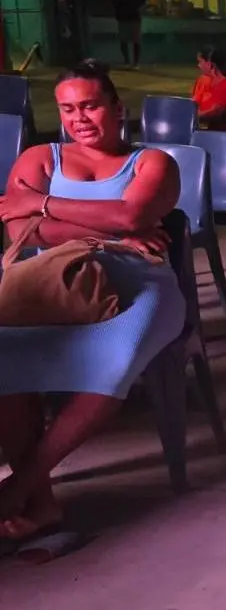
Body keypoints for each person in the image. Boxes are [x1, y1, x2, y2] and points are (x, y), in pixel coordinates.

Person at [0, 61, 184, 557]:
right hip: (54, 283)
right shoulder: (41, 158)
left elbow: (133, 213)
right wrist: (111, 229)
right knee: (5, 359)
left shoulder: (152, 164)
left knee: (114, 358)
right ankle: (42, 501)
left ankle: (17, 490)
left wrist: (42, 205)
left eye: (91, 105)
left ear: (117, 108)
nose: (79, 117)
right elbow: (19, 230)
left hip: (139, 284)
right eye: (68, 108)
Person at [191, 45, 226, 131]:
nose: (198, 65)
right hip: (199, 127)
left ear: (210, 64)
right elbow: (194, 104)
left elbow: (217, 113)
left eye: (200, 61)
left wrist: (195, 116)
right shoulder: (201, 81)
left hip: (219, 132)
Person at [104, 0, 147, 67]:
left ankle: (131, 62)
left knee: (129, 40)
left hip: (128, 16)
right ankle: (132, 62)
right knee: (129, 40)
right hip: (129, 16)